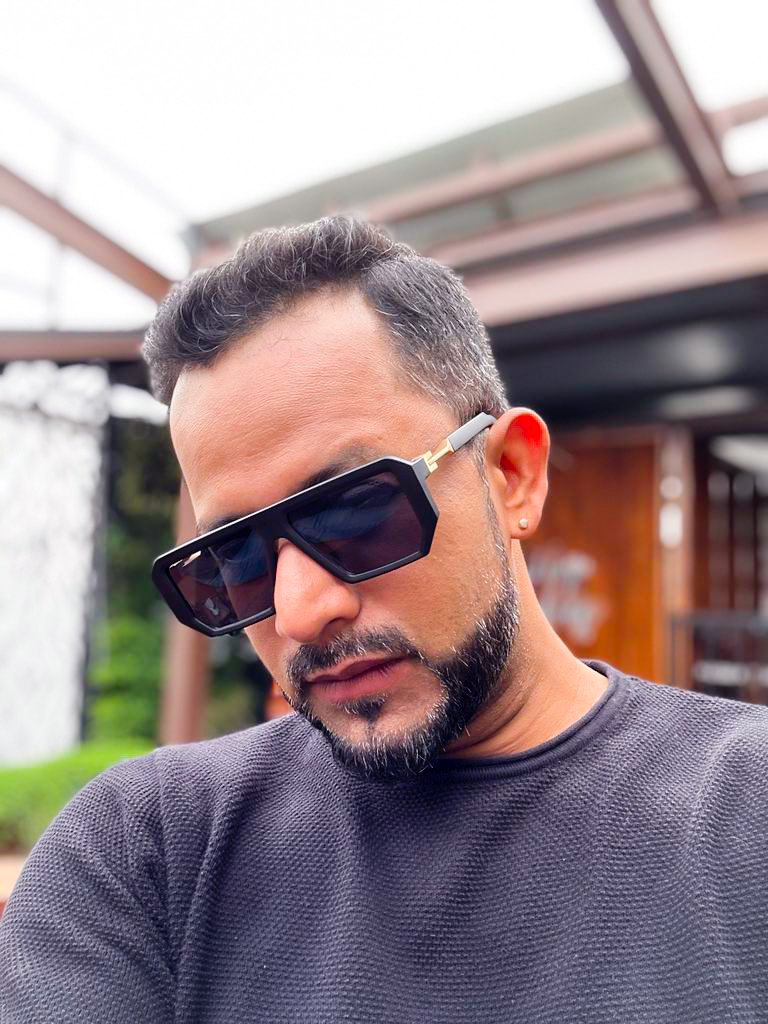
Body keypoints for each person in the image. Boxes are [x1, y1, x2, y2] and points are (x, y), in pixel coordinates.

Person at [2, 217, 767, 1024]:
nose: (302, 611)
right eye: (238, 557)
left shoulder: (745, 813)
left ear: (512, 475)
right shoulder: (147, 854)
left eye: (355, 511)